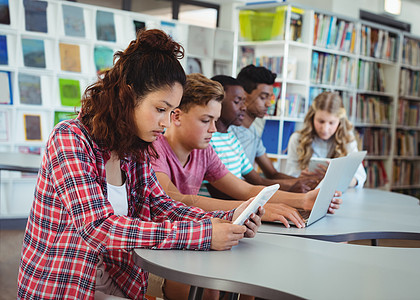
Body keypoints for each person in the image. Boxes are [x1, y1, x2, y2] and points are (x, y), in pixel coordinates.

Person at [17, 29, 263, 300]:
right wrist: (204, 233)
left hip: (117, 280)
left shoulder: (134, 148)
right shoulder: (70, 138)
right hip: (67, 286)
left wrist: (228, 220)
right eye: (160, 109)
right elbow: (99, 228)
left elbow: (162, 206)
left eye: (172, 112)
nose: (167, 122)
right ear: (127, 96)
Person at [151, 73, 342, 231]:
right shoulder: (155, 148)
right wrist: (255, 208)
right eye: (205, 120)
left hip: (190, 234)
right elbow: (177, 199)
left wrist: (305, 199)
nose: (213, 129)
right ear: (176, 116)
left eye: (215, 120)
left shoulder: (204, 151)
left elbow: (246, 189)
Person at [208, 75, 315, 192]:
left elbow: (262, 178)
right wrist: (291, 189)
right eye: (263, 97)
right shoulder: (211, 139)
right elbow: (238, 189)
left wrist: (305, 183)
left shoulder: (234, 137)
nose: (269, 104)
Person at [231, 64, 322, 193]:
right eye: (263, 98)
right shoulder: (230, 132)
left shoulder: (253, 132)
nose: (268, 104)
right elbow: (252, 182)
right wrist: (292, 186)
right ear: (243, 95)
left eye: (270, 98)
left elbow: (272, 173)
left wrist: (310, 182)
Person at [286, 91, 367, 188]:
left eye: (331, 123)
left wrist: (336, 179)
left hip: (337, 197)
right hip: (305, 194)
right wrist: (301, 178)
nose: (325, 129)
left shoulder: (347, 140)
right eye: (321, 121)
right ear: (312, 117)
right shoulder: (297, 139)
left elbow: (360, 178)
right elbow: (289, 176)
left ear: (340, 122)